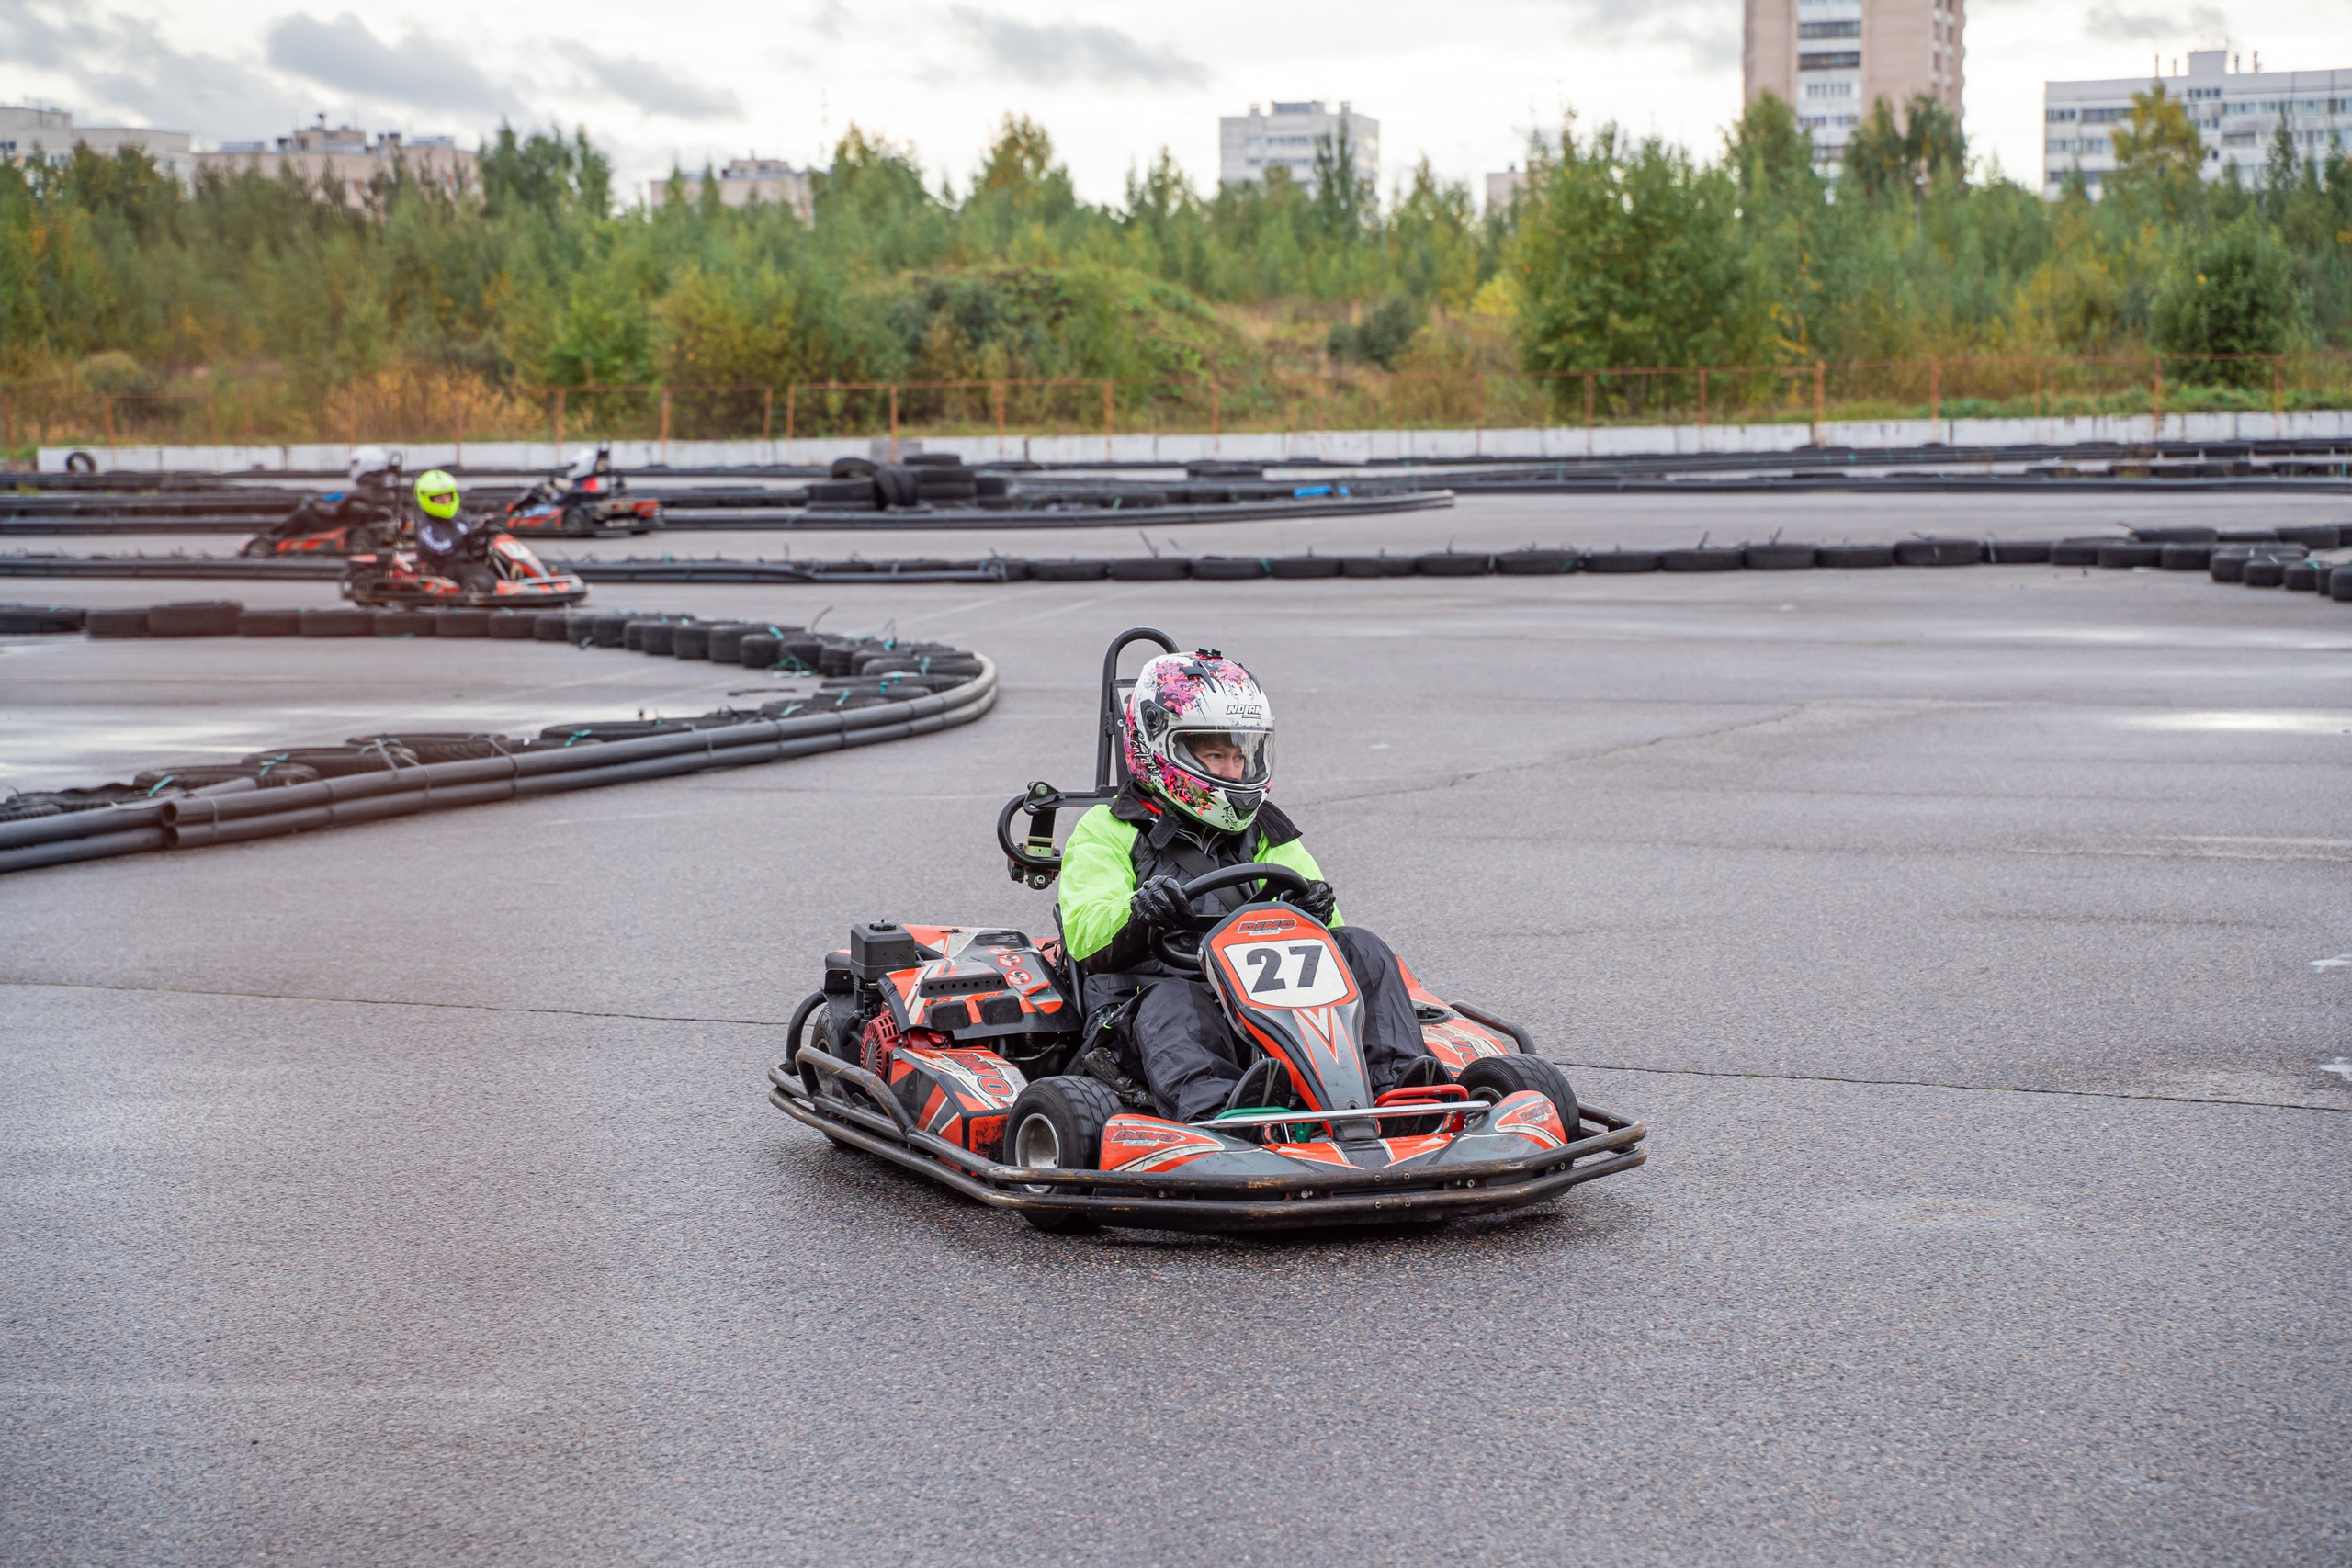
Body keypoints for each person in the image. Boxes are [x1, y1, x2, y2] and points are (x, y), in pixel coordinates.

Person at [1057, 648, 1436, 1122]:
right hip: (1146, 1007)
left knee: (1363, 947)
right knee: (1179, 1000)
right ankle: (1220, 1116)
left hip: (1257, 1002)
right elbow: (1086, 935)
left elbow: (1331, 938)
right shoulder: (1108, 828)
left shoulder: (1262, 827)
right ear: (1160, 747)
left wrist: (1316, 908)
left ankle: (1398, 1092)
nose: (1233, 772)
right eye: (1215, 754)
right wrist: (1140, 914)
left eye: (1240, 755)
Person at [411, 468, 494, 592]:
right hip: (444, 568)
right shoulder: (426, 527)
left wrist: (486, 534)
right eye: (439, 498)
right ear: (427, 499)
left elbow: (471, 545)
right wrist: (465, 538)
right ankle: (479, 589)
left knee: (494, 564)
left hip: (466, 564)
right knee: (480, 575)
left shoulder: (460, 521)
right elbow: (439, 548)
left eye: (447, 496)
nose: (445, 501)